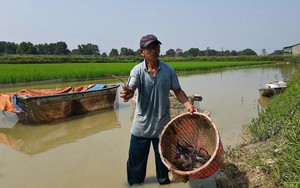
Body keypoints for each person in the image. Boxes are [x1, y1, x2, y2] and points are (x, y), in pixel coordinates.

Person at [120, 34, 198, 186]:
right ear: (142, 52)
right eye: (149, 47)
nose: (154, 50)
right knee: (135, 169)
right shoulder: (137, 71)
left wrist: (188, 105)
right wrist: (127, 93)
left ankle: (163, 183)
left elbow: (178, 91)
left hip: (163, 128)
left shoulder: (168, 70)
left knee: (165, 168)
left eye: (156, 47)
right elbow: (131, 88)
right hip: (141, 128)